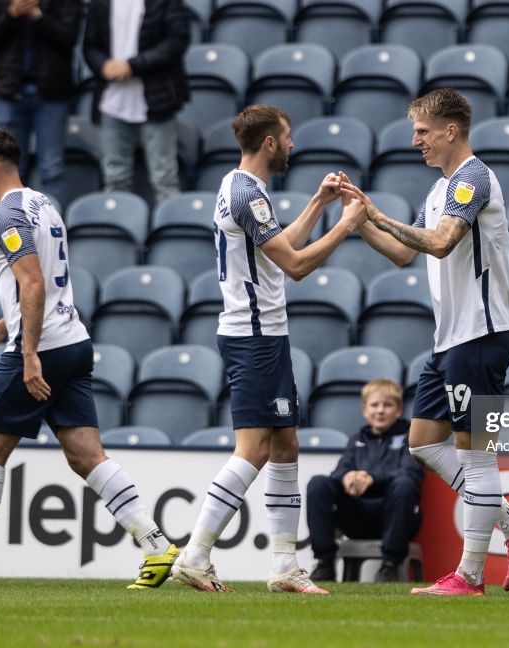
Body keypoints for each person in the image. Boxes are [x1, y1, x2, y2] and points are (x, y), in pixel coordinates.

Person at [0, 130, 177, 588]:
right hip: (72, 340)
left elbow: (32, 285)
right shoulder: (42, 204)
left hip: (42, 347)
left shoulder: (5, 215)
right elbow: (42, 282)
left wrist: (26, 353)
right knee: (87, 455)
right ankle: (157, 547)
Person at [340, 88, 509, 596]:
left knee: (477, 458)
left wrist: (377, 213)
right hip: (450, 340)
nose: (416, 142)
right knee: (426, 444)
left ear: (451, 130)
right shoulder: (439, 190)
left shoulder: (473, 179)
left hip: (481, 334)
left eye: (423, 132)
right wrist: (361, 219)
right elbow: (404, 254)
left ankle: (470, 575)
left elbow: (439, 242)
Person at [171, 105, 367, 595]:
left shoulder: (240, 187)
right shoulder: (247, 195)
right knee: (255, 450)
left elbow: (277, 251)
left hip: (264, 336)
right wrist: (347, 225)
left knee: (285, 446)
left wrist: (318, 205)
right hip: (253, 337)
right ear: (270, 143)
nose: (293, 145)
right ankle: (194, 554)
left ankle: (283, 567)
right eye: (288, 136)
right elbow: (296, 266)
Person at [307, 379, 425, 583]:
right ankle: (325, 563)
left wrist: (371, 479)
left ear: (399, 410)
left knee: (404, 484)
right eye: (374, 405)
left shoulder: (411, 438)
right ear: (364, 410)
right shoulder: (357, 439)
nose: (380, 411)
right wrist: (347, 477)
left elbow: (411, 472)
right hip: (356, 517)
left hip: (395, 518)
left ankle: (390, 566)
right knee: (318, 484)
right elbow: (340, 470)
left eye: (387, 405)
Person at [81, 0, 189, 205]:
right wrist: (103, 66)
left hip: (158, 102)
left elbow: (176, 42)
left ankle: (171, 231)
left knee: (165, 180)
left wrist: (132, 66)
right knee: (115, 179)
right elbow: (90, 45)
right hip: (111, 103)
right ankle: (115, 231)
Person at [0, 0, 81, 208]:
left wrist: (38, 16)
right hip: (9, 91)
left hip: (52, 93)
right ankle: (7, 232)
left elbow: (68, 38)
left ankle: (53, 234)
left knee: (52, 169)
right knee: (7, 169)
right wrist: (12, 13)